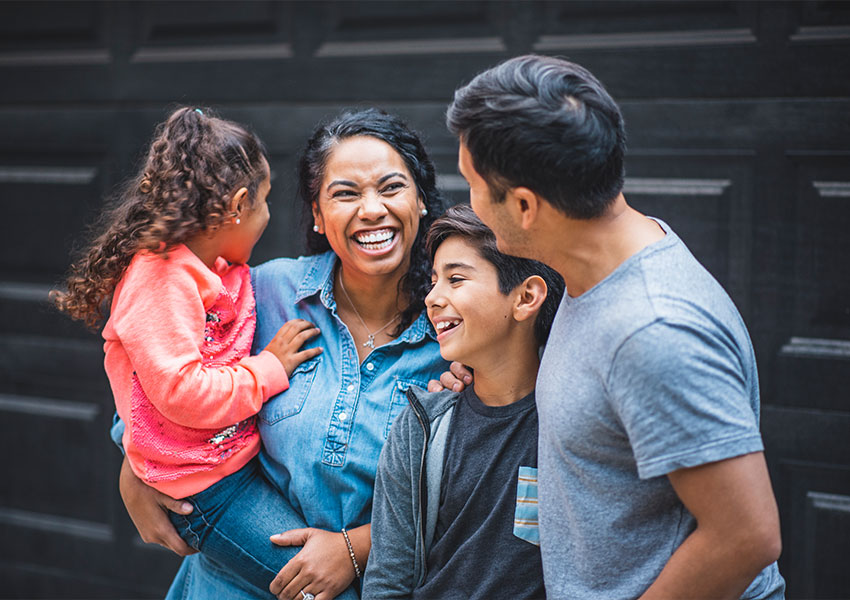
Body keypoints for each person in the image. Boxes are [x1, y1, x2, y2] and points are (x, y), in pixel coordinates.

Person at [441, 55, 786, 599]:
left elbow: (746, 537)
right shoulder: (593, 264)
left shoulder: (654, 331)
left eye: (473, 185)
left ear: (526, 206)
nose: (470, 203)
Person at [115, 108, 448, 600]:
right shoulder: (264, 292)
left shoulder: (456, 330)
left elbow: (474, 489)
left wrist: (355, 548)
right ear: (317, 214)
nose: (372, 209)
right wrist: (133, 472)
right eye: (345, 193)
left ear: (420, 201)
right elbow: (155, 381)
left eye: (391, 187)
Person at [52, 106, 328, 591]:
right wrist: (268, 368)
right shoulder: (160, 280)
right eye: (265, 201)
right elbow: (180, 390)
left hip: (231, 469)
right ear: (238, 205)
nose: (269, 215)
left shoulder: (211, 269)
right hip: (208, 493)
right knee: (318, 586)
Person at [363, 204, 564, 600]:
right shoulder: (421, 428)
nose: (432, 298)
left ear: (526, 297)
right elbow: (387, 582)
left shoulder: (571, 423)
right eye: (434, 281)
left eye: (455, 279)